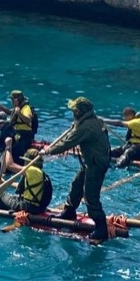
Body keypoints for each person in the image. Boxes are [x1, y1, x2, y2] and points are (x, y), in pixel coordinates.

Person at [40, 97, 110, 241]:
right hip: (91, 161)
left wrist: (47, 151)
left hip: (96, 164)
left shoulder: (86, 127)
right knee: (77, 184)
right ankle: (69, 211)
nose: (73, 113)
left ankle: (101, 228)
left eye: (74, 111)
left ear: (79, 112)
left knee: (90, 196)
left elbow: (68, 142)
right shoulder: (91, 121)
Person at [0, 144, 52, 215]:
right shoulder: (38, 173)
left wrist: (8, 148)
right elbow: (23, 187)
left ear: (29, 162)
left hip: (28, 207)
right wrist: (5, 182)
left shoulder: (33, 170)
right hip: (35, 207)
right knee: (8, 197)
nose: (24, 163)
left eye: (25, 161)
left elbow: (10, 165)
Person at [0, 90, 35, 164]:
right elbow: (6, 112)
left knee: (14, 143)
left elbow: (28, 120)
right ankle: (0, 151)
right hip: (17, 132)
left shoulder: (26, 108)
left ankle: (7, 158)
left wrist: (19, 113)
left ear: (16, 100)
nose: (11, 101)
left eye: (12, 100)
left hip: (25, 135)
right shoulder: (17, 108)